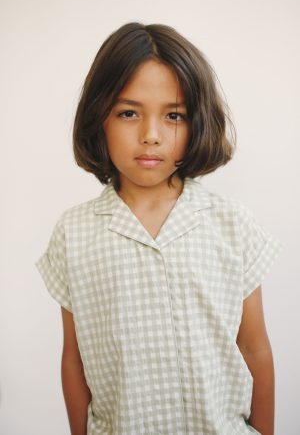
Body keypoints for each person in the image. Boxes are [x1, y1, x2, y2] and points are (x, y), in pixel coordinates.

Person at [35, 22, 283, 435]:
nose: (150, 136)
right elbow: (74, 358)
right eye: (128, 113)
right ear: (100, 116)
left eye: (173, 116)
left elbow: (254, 348)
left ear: (196, 121)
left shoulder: (232, 223)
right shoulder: (73, 233)